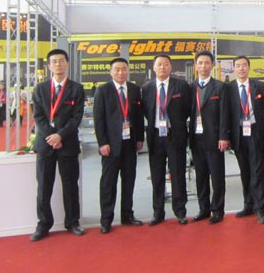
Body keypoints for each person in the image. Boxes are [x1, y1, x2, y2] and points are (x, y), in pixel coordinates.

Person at [30, 49, 85, 241]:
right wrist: (51, 136)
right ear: (49, 66)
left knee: (70, 185)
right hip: (45, 145)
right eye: (54, 61)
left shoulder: (77, 89)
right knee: (44, 187)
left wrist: (60, 135)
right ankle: (43, 224)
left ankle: (73, 222)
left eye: (61, 61)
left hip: (67, 144)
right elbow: (38, 116)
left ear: (67, 63)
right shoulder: (40, 88)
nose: (58, 64)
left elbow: (76, 117)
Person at [93, 58, 144, 233]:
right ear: (111, 72)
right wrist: (102, 143)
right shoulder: (103, 90)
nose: (121, 72)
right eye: (117, 69)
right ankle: (106, 219)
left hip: (130, 143)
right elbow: (98, 119)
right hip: (111, 145)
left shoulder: (135, 90)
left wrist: (140, 138)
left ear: (128, 70)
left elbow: (138, 117)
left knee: (129, 181)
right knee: (108, 183)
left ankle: (127, 215)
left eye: (124, 69)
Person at [142, 54, 191, 226]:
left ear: (170, 67)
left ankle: (180, 211)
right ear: (153, 67)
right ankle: (158, 212)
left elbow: (187, 109)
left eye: (165, 64)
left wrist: (175, 124)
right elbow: (146, 111)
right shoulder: (147, 88)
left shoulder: (181, 85)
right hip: (155, 135)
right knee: (157, 175)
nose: (162, 67)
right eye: (159, 64)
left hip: (175, 135)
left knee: (177, 173)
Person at [228, 55, 264, 224]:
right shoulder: (229, 88)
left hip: (255, 131)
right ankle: (248, 204)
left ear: (249, 67)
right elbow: (226, 111)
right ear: (234, 68)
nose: (241, 68)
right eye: (238, 65)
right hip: (238, 133)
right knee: (244, 170)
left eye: (244, 65)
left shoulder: (258, 86)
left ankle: (260, 207)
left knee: (258, 169)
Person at [189, 50, 230, 225]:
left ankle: (218, 210)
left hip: (215, 139)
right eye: (200, 63)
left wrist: (223, 136)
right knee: (201, 176)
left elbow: (224, 114)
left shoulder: (220, 87)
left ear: (212, 65)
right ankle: (203, 209)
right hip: (196, 138)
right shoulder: (190, 87)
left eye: (207, 63)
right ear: (196, 66)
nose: (203, 66)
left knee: (217, 176)